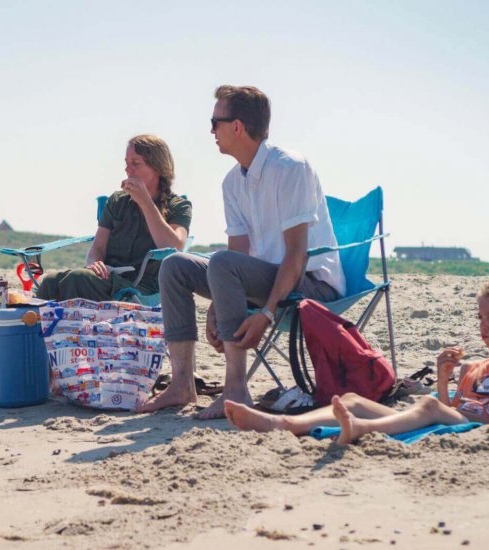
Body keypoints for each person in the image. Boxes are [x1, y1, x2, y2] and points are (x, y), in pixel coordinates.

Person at [138, 86, 345, 419]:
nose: (210, 131)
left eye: (214, 122)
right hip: (258, 276)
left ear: (237, 126)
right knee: (175, 265)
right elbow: (237, 252)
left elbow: (295, 254)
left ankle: (235, 390)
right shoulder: (232, 182)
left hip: (308, 283)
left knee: (222, 262)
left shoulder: (290, 168)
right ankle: (181, 385)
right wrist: (217, 308)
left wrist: (266, 313)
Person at [225, 283, 489, 444]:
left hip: (469, 422)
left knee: (428, 405)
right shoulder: (471, 369)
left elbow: (446, 414)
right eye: (480, 317)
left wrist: (440, 405)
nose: (483, 325)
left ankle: (363, 428)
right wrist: (443, 378)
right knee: (352, 399)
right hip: (446, 418)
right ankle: (283, 424)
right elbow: (447, 412)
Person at [36, 134, 192, 302]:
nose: (128, 169)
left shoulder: (178, 205)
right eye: (126, 163)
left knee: (78, 279)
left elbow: (175, 247)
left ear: (158, 167)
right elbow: (97, 248)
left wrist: (146, 203)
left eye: (135, 163)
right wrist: (95, 263)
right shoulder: (117, 201)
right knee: (49, 282)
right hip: (108, 278)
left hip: (142, 286)